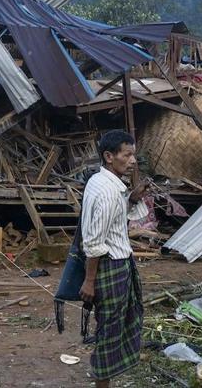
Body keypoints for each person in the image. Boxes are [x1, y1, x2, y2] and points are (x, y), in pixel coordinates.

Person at [79, 130, 150, 387]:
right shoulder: (108, 192)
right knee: (109, 330)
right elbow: (95, 242)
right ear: (109, 156)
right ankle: (102, 383)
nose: (133, 161)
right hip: (111, 266)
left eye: (133, 154)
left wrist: (132, 199)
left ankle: (104, 380)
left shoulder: (105, 183)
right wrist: (89, 281)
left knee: (113, 325)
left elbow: (113, 222)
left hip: (117, 264)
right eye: (126, 155)